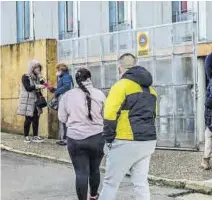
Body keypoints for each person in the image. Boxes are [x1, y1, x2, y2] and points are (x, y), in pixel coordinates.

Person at [100, 53, 158, 200]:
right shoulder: (151, 90)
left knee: (110, 183)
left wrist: (108, 139)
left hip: (126, 140)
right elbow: (154, 115)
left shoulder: (121, 86)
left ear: (120, 68)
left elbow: (109, 115)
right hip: (148, 141)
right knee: (140, 182)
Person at [58, 68, 106, 200]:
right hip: (97, 138)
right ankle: (93, 196)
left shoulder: (67, 96)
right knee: (95, 169)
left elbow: (62, 118)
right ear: (89, 78)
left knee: (81, 172)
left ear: (76, 80)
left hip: (75, 139)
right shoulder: (100, 94)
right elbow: (106, 116)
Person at [17, 60, 46, 143]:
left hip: (37, 100)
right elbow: (28, 88)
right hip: (28, 101)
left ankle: (35, 136)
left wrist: (44, 82)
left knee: (36, 118)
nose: (38, 70)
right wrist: (37, 86)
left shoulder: (38, 78)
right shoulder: (25, 76)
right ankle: (26, 136)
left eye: (39, 68)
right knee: (28, 118)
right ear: (32, 68)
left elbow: (45, 85)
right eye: (36, 68)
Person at [54, 63, 73, 146]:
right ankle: (64, 138)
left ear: (61, 70)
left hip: (66, 100)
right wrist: (46, 85)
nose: (57, 72)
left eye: (57, 70)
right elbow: (59, 88)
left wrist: (56, 92)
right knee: (64, 119)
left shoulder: (65, 77)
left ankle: (65, 139)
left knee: (64, 119)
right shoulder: (63, 77)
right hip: (65, 99)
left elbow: (67, 87)